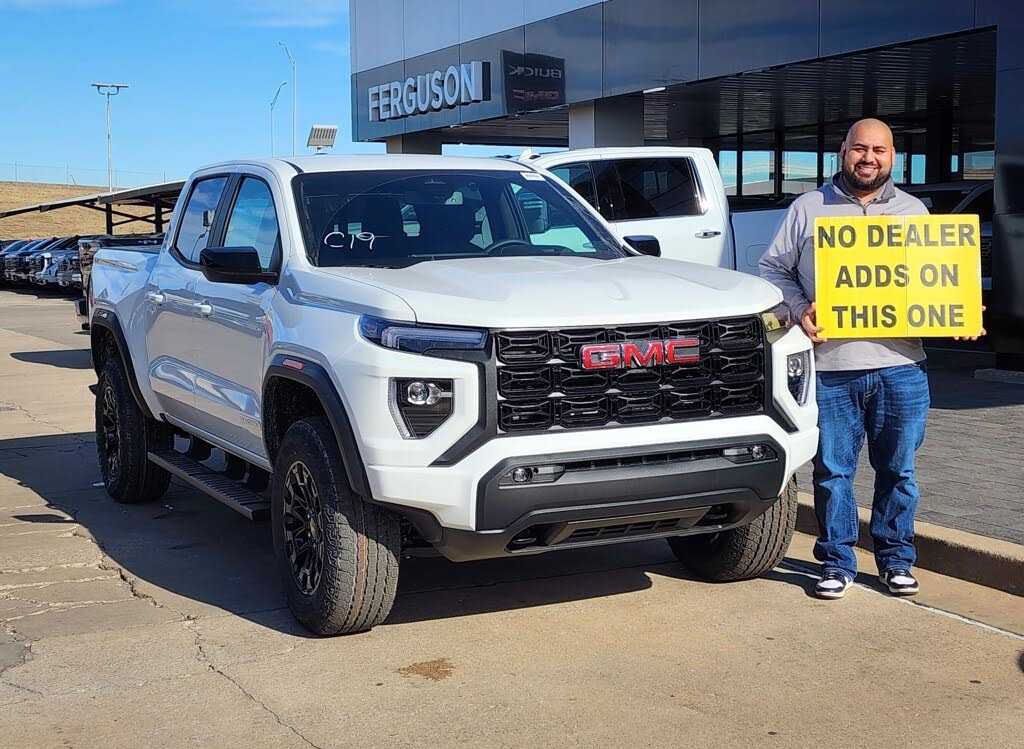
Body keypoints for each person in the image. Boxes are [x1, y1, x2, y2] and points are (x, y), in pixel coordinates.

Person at [759, 118, 983, 600]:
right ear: (843, 151)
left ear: (893, 156)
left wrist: (959, 310)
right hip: (833, 369)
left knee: (898, 471)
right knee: (833, 472)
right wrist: (799, 310)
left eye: (879, 150)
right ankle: (837, 562)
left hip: (901, 366)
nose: (869, 158)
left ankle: (895, 560)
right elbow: (773, 270)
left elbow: (938, 283)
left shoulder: (914, 212)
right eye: (860, 148)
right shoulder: (808, 208)